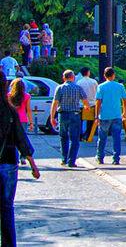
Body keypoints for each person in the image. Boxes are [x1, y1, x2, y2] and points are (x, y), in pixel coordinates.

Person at [0, 76, 39, 247]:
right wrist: (33, 165)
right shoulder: (9, 111)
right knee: (7, 208)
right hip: (8, 162)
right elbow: (21, 140)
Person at [48, 70, 87, 167]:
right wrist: (86, 107)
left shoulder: (60, 88)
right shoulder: (78, 88)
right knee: (74, 139)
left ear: (64, 77)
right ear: (73, 77)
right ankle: (71, 161)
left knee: (63, 137)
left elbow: (55, 103)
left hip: (63, 114)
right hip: (75, 114)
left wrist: (52, 117)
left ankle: (64, 159)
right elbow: (85, 101)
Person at [94, 67, 126, 166]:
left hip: (104, 116)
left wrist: (96, 116)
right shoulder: (120, 86)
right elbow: (125, 101)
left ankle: (100, 157)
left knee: (102, 138)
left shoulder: (101, 87)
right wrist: (124, 113)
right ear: (114, 75)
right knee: (116, 138)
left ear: (104, 76)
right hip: (117, 115)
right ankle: (116, 159)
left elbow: (98, 102)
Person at [75, 68, 99, 141]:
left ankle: (79, 136)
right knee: (90, 122)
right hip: (92, 104)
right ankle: (88, 136)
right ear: (88, 72)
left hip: (81, 105)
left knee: (80, 121)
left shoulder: (79, 82)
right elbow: (97, 93)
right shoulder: (94, 81)